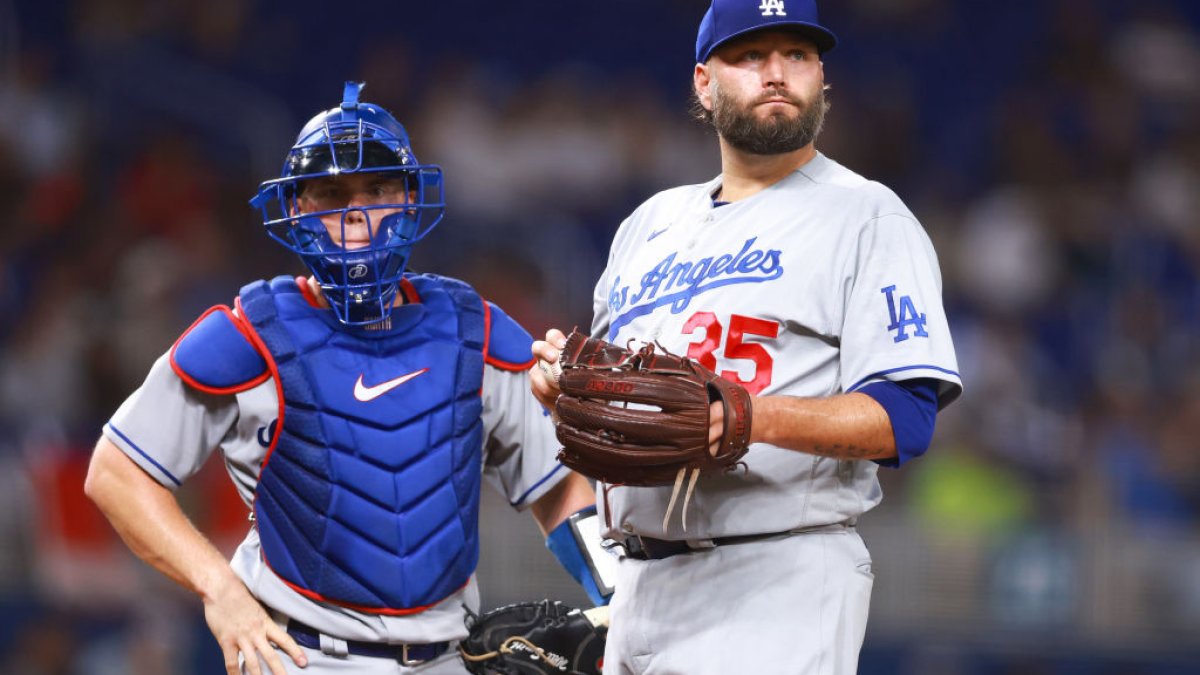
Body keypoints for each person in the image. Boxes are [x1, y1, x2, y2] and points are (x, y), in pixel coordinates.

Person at [86, 82, 597, 675]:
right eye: (331, 192)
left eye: (377, 188)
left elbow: (556, 487)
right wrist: (218, 589)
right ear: (298, 210)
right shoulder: (249, 335)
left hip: (449, 659)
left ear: (409, 200)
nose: (355, 212)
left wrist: (620, 597)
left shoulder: (472, 330)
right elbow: (116, 473)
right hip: (300, 656)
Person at [530, 1, 963, 673]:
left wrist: (749, 415)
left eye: (797, 54)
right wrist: (569, 388)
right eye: (750, 56)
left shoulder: (868, 215)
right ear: (704, 83)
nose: (776, 73)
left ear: (824, 81)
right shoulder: (649, 225)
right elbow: (624, 404)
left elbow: (905, 415)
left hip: (776, 574)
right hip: (640, 583)